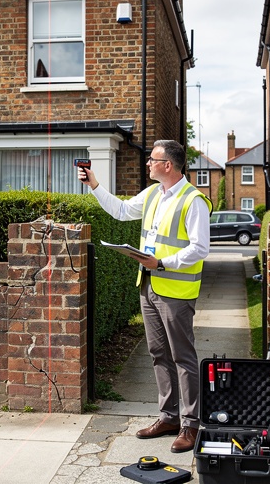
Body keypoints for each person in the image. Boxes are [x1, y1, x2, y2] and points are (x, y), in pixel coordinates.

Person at [79, 139, 212, 453]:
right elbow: (123, 211)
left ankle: (191, 425)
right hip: (149, 284)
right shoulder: (153, 193)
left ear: (168, 165)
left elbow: (200, 248)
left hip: (176, 289)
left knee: (183, 357)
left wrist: (164, 263)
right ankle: (168, 417)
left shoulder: (193, 200)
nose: (147, 164)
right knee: (158, 354)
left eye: (152, 160)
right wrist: (94, 184)